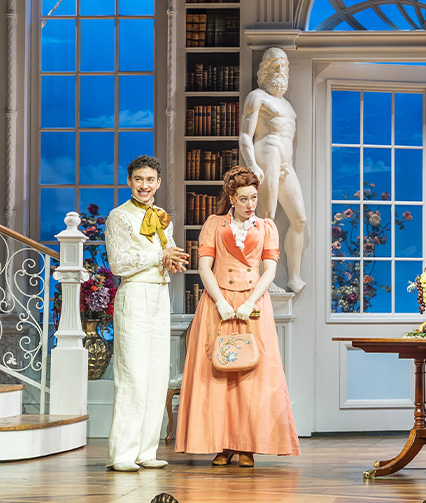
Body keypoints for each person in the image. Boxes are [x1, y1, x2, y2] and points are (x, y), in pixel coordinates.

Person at [174, 166, 300, 467]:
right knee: (219, 373)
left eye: (253, 197)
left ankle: (248, 445)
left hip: (252, 305)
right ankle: (223, 444)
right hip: (219, 304)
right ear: (231, 197)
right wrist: (220, 301)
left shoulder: (267, 227)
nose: (250, 204)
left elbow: (270, 270)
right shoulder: (214, 224)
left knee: (252, 375)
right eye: (243, 198)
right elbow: (204, 267)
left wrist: (250, 301)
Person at [104, 155, 189, 472]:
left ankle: (146, 451)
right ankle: (122, 454)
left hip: (159, 295)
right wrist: (158, 255)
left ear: (158, 183)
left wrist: (173, 260)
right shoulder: (119, 216)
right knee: (133, 375)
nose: (144, 185)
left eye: (150, 179)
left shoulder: (163, 217)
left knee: (156, 374)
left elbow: (169, 253)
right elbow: (118, 264)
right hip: (134, 293)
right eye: (139, 179)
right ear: (129, 181)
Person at [239, 47, 308, 294]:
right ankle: (263, 278)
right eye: (275, 65)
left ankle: (294, 276)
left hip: (286, 165)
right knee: (266, 219)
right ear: (265, 69)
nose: (280, 70)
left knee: (299, 219)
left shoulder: (287, 104)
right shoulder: (257, 96)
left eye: (284, 66)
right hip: (267, 157)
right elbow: (245, 135)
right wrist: (252, 164)